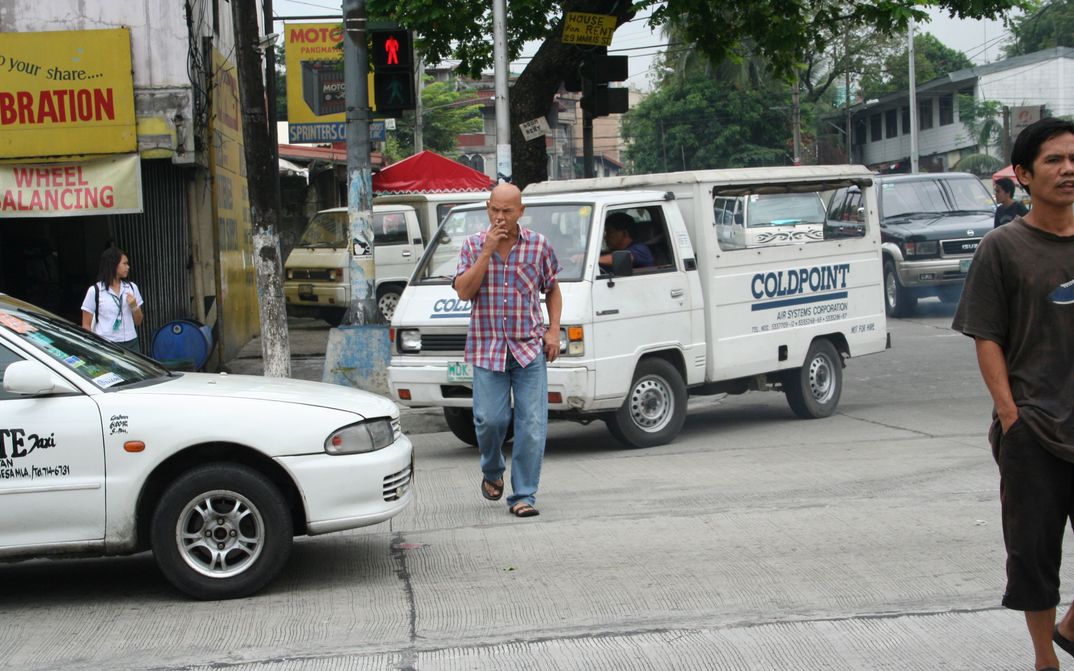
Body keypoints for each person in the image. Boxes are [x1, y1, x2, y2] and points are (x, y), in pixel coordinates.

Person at [952, 117, 1074, 671]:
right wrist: (1011, 416)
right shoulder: (1002, 247)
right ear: (1023, 175)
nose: (1068, 170)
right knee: (1033, 558)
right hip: (1033, 429)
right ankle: (1045, 658)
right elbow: (987, 336)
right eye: (1054, 160)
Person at [453, 183, 561, 518]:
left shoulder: (538, 246)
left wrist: (554, 329)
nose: (500, 216)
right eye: (495, 210)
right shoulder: (472, 246)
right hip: (487, 349)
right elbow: (463, 292)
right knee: (489, 421)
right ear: (488, 208)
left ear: (521, 211)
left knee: (532, 425)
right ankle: (492, 470)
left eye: (507, 211)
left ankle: (524, 495)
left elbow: (552, 290)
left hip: (528, 349)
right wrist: (487, 251)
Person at [81, 247, 144, 352]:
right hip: (106, 343)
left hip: (131, 342)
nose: (128, 267)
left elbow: (138, 322)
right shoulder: (95, 291)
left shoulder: (132, 288)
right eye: (124, 264)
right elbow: (86, 325)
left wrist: (134, 306)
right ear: (113, 264)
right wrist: (93, 347)